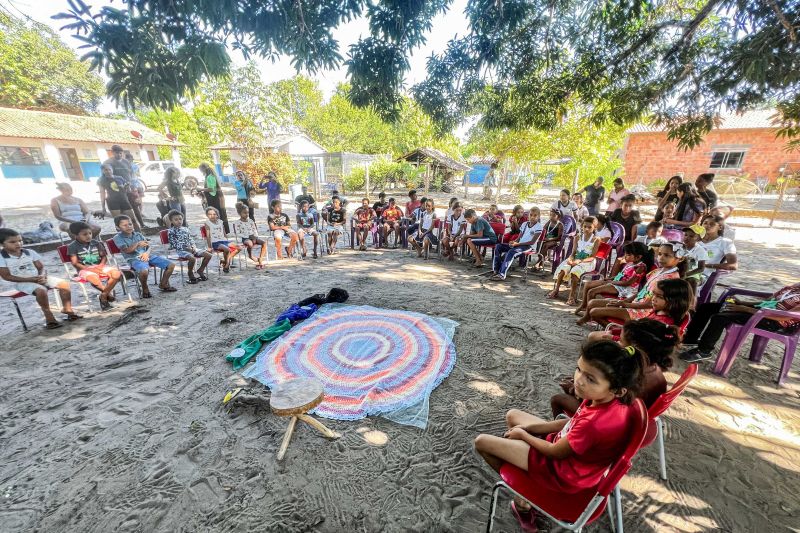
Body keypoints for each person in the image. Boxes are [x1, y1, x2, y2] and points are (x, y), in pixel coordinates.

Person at [474, 340, 644, 529]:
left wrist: (524, 435)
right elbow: (572, 422)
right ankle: (525, 482)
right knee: (513, 416)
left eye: (590, 379)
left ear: (617, 390)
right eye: (579, 369)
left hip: (561, 473)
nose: (579, 379)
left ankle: (525, 503)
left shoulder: (594, 424)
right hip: (572, 457)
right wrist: (532, 429)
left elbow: (555, 452)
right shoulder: (608, 401)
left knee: (482, 442)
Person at [555, 319, 679, 417]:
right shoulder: (653, 367)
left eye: (620, 341)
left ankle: (562, 436)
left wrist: (575, 391)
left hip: (616, 418)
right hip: (634, 413)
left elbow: (607, 400)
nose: (618, 343)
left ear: (634, 348)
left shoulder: (634, 375)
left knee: (557, 399)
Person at [680, 282, 800, 362]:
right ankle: (691, 338)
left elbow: (784, 317)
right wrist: (742, 303)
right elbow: (768, 301)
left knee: (720, 317)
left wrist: (744, 309)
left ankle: (704, 351)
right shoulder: (795, 287)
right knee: (708, 307)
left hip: (773, 322)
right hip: (758, 312)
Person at [577, 244, 683, 326]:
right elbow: (642, 292)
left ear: (679, 258)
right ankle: (616, 331)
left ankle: (621, 333)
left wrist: (625, 304)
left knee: (594, 312)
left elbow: (651, 304)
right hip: (634, 304)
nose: (661, 258)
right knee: (592, 303)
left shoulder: (671, 279)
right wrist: (624, 301)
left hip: (643, 312)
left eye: (667, 255)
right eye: (660, 254)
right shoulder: (658, 271)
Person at [0, 228, 78, 328]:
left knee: (64, 283)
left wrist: (42, 276)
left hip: (38, 278)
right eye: (12, 242)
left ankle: (67, 309)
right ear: (2, 244)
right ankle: (49, 317)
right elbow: (6, 276)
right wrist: (31, 279)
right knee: (41, 291)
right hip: (21, 282)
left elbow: (41, 268)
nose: (18, 244)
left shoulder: (29, 252)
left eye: (20, 240)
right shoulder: (2, 258)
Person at [575, 242, 651, 316]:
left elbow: (627, 283)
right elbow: (621, 275)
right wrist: (609, 279)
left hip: (626, 288)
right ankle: (584, 306)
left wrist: (612, 282)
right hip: (618, 283)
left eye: (628, 255)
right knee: (588, 284)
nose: (625, 256)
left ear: (638, 257)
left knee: (592, 291)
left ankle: (588, 315)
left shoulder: (640, 267)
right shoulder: (631, 263)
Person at [112, 215, 176, 297]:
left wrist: (146, 253)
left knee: (171, 265)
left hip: (148, 255)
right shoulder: (117, 238)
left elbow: (148, 246)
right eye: (124, 225)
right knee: (144, 271)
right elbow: (127, 250)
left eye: (130, 224)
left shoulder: (138, 234)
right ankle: (145, 288)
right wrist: (138, 244)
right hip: (134, 259)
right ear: (117, 227)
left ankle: (163, 284)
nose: (128, 227)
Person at [67, 221, 121, 310]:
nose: (88, 236)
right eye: (84, 234)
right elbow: (75, 263)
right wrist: (90, 269)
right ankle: (108, 294)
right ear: (75, 235)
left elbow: (104, 256)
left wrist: (101, 265)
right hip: (84, 269)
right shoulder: (72, 246)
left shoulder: (96, 243)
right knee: (94, 279)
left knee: (116, 274)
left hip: (100, 266)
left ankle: (103, 295)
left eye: (90, 233)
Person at [549, 218, 600, 304]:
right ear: (582, 226)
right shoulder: (577, 237)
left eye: (589, 227)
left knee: (575, 272)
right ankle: (556, 289)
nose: (586, 229)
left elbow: (592, 257)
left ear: (594, 228)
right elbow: (573, 253)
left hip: (588, 261)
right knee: (564, 268)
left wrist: (579, 261)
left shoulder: (596, 240)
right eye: (585, 226)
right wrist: (570, 259)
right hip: (575, 258)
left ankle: (571, 296)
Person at [491, 207, 542, 281]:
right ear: (528, 216)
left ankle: (502, 274)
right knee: (498, 246)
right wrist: (514, 242)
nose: (532, 217)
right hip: (518, 245)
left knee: (511, 252)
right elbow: (519, 238)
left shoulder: (538, 226)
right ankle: (496, 270)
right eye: (531, 215)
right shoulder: (524, 224)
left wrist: (517, 244)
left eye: (535, 215)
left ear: (539, 216)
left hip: (527, 246)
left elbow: (532, 242)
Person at [166, 210, 212, 282]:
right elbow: (174, 244)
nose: (179, 221)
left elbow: (191, 239)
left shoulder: (185, 229)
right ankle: (190, 273)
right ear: (171, 221)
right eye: (176, 220)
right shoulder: (171, 231)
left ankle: (200, 270)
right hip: (182, 251)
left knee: (208, 255)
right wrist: (188, 249)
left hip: (192, 248)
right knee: (192, 258)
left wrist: (193, 246)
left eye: (180, 219)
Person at [98, 163, 139, 231]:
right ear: (102, 171)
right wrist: (103, 207)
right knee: (119, 222)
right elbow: (102, 194)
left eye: (109, 169)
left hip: (124, 200)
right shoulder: (101, 180)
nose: (108, 171)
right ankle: (123, 239)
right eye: (106, 170)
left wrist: (126, 187)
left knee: (132, 220)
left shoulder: (119, 178)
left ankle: (140, 236)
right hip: (112, 202)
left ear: (112, 170)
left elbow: (127, 190)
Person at [699, 214, 737, 286]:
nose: (707, 226)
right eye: (705, 223)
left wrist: (707, 265)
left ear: (720, 227)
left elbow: (733, 265)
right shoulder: (694, 240)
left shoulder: (725, 242)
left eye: (712, 224)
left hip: (705, 276)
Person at [203, 206, 240, 272]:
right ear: (207, 215)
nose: (212, 216)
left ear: (217, 215)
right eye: (210, 214)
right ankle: (227, 264)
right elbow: (208, 236)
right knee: (227, 249)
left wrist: (227, 240)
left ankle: (224, 260)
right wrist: (209, 247)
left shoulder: (220, 222)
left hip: (224, 241)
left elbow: (224, 233)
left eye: (214, 214)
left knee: (239, 247)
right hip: (215, 242)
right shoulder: (207, 223)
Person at [198, 163, 230, 233]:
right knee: (218, 213)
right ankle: (220, 230)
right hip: (214, 197)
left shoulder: (210, 176)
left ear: (203, 169)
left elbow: (211, 189)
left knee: (216, 213)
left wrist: (200, 189)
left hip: (214, 198)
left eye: (200, 170)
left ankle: (221, 230)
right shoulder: (210, 176)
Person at [233, 203, 267, 268]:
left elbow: (254, 230)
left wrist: (255, 236)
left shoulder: (251, 221)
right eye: (244, 213)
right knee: (250, 243)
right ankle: (250, 255)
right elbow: (237, 233)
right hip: (245, 238)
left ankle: (260, 259)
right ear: (240, 213)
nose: (247, 214)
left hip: (253, 236)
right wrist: (247, 236)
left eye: (248, 212)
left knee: (264, 243)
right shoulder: (237, 223)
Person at [678, 224, 707, 292]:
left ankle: (691, 300)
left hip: (693, 274)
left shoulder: (700, 251)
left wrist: (687, 274)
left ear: (699, 239)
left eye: (691, 236)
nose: (687, 238)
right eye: (686, 235)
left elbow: (701, 268)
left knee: (691, 283)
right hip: (680, 271)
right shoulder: (679, 247)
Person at [123, 151, 146, 229]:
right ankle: (139, 220)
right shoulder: (130, 166)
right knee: (136, 203)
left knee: (137, 202)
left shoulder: (131, 166)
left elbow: (133, 175)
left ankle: (140, 217)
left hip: (134, 185)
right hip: (133, 186)